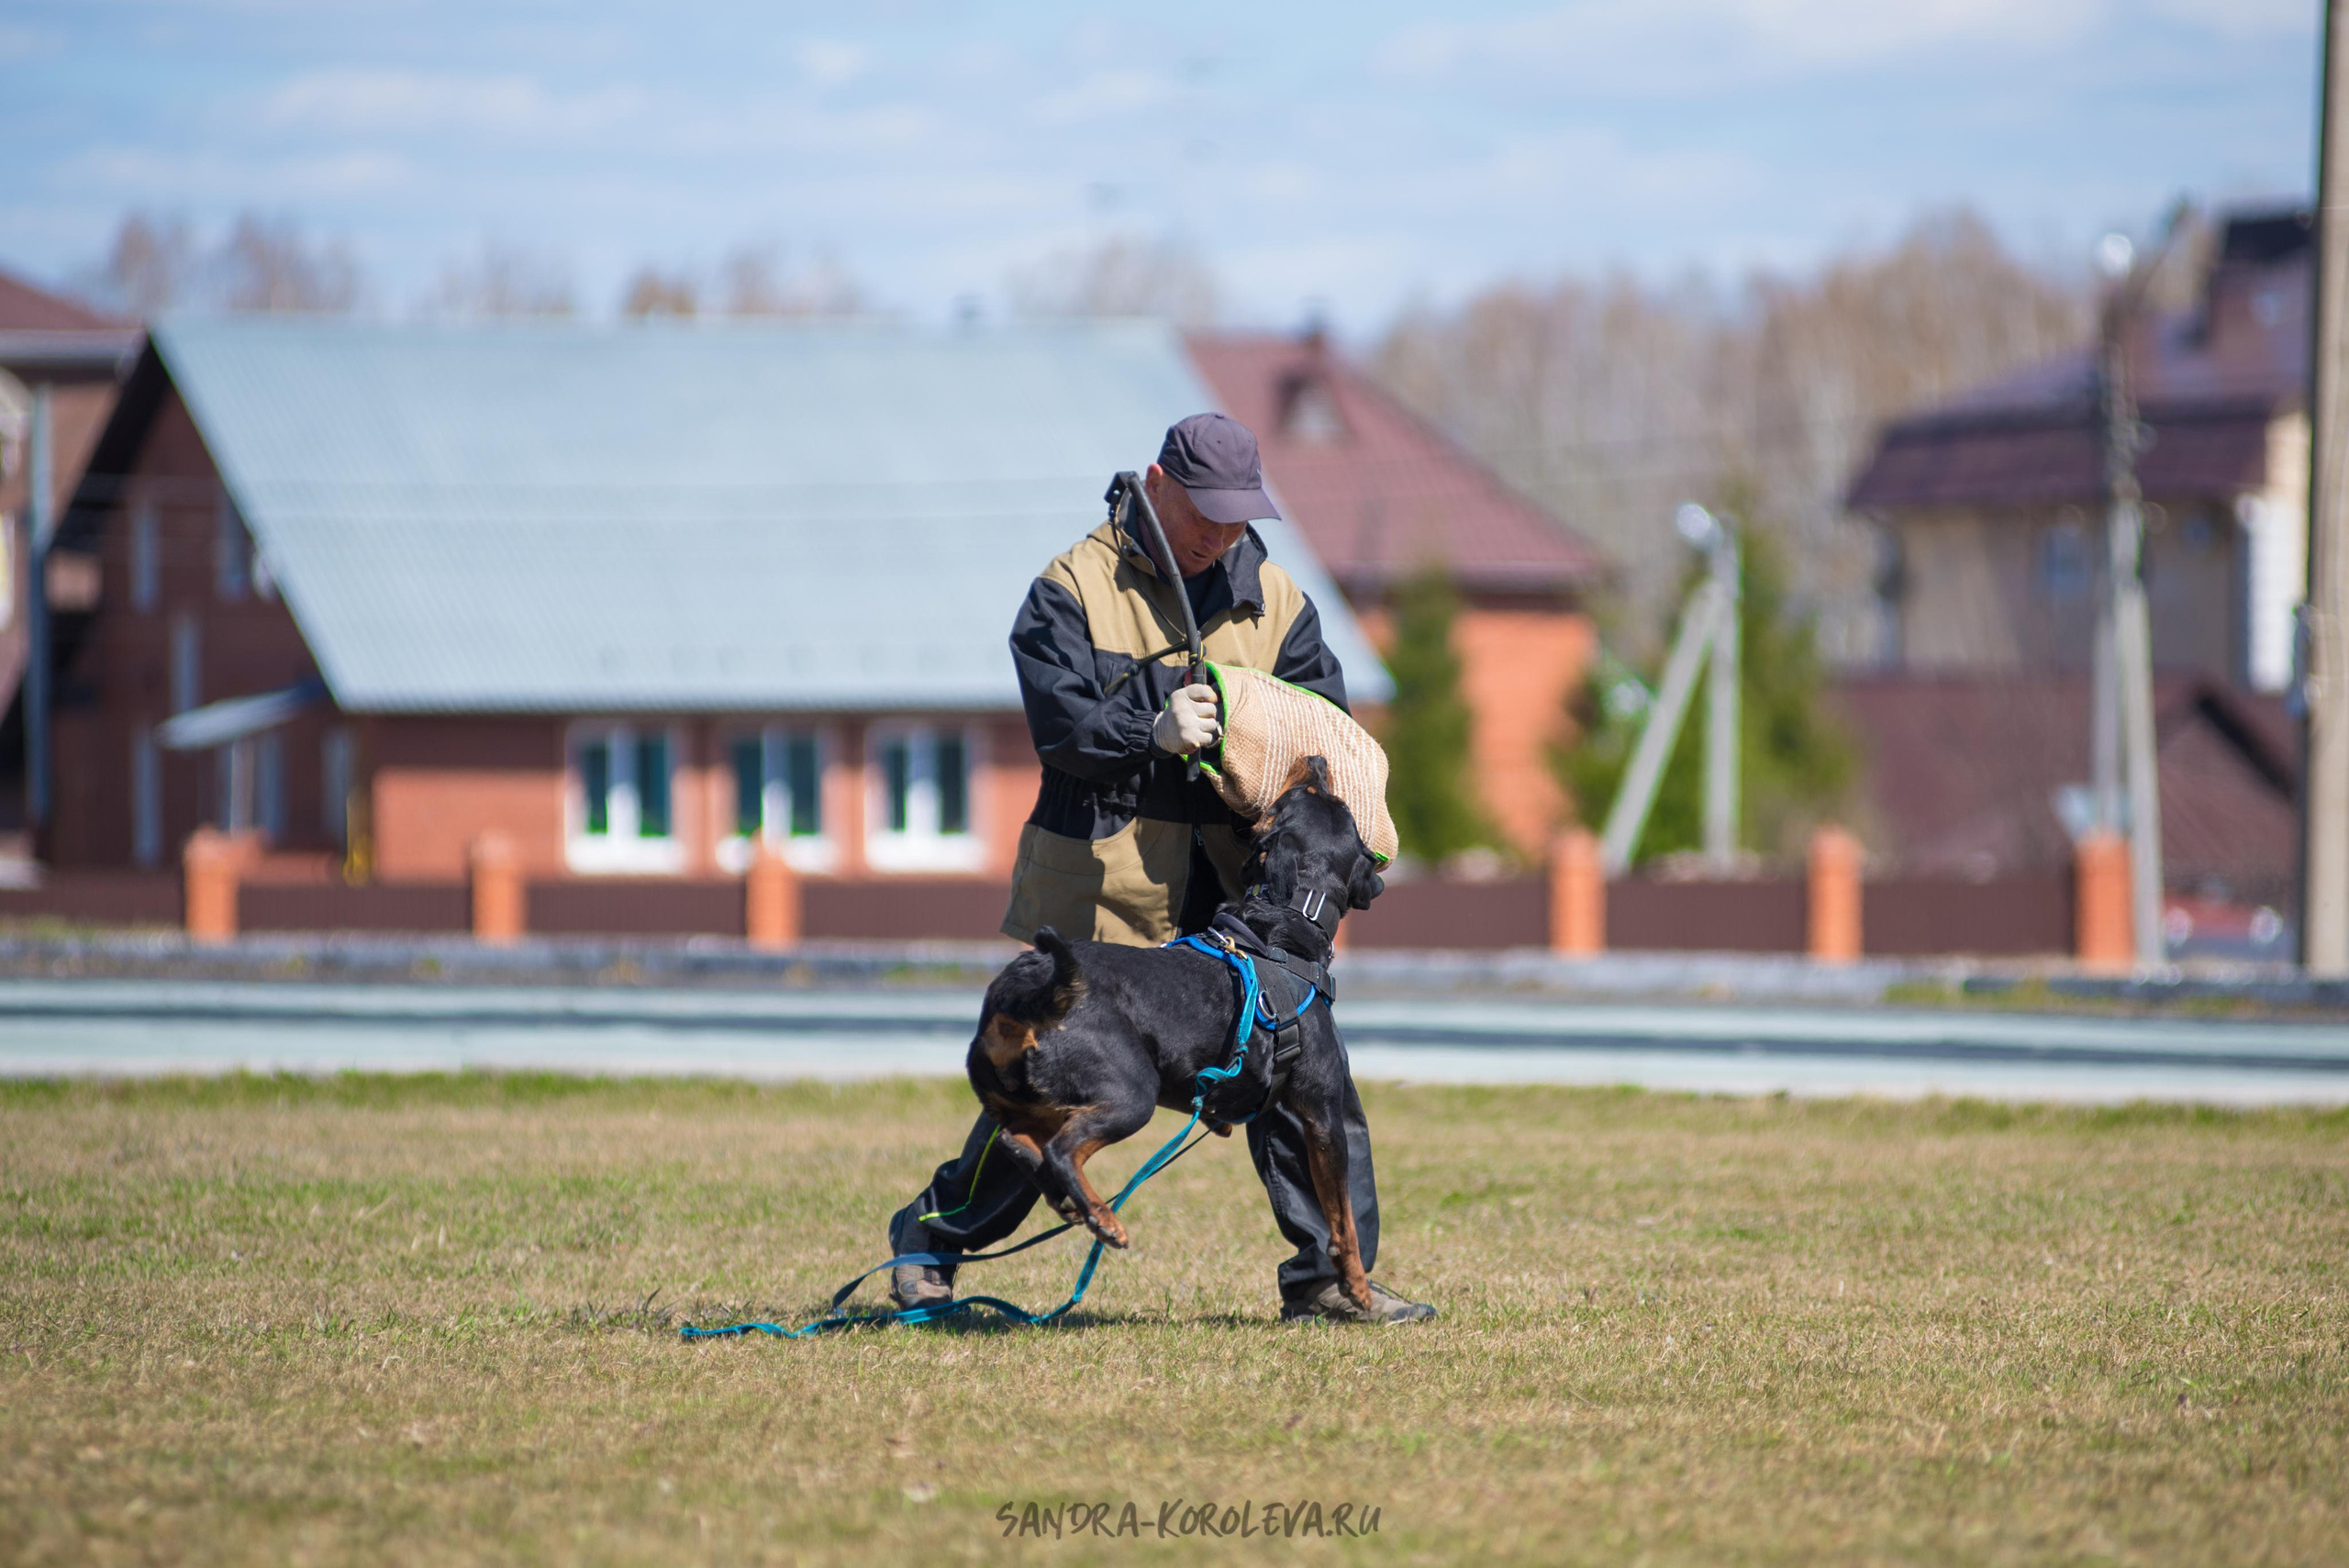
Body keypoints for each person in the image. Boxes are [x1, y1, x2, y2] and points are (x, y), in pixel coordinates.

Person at [885, 412, 1434, 1324]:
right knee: (1054, 1085)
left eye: (1236, 515)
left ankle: (1332, 1280)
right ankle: (930, 1241)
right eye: (1204, 512)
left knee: (1307, 1072)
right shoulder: (1071, 588)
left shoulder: (1278, 600)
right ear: (1156, 485)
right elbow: (1061, 729)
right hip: (1111, 881)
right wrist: (1152, 726)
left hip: (1239, 898)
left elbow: (1324, 724)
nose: (1221, 533)